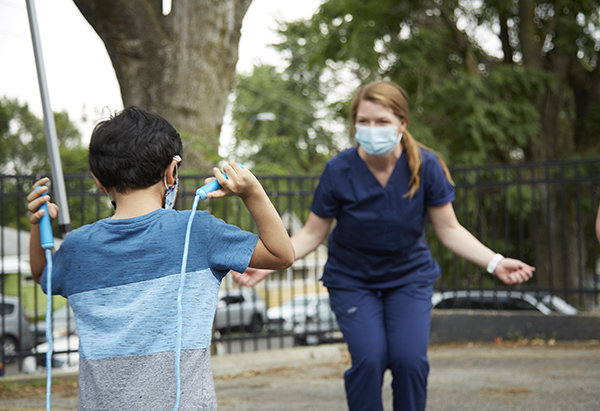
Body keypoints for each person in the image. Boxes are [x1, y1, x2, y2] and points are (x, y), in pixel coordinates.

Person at [232, 81, 535, 411]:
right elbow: (310, 234)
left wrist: (495, 262)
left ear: (402, 125)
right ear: (354, 123)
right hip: (352, 280)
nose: (371, 129)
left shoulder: (426, 166)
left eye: (382, 122)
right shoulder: (338, 171)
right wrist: (267, 262)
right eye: (363, 121)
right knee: (370, 359)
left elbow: (449, 230)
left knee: (409, 361)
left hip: (408, 278)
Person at [28, 107, 294, 410]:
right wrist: (252, 192)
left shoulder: (78, 247)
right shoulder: (199, 231)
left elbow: (42, 274)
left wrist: (38, 226)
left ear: (99, 181)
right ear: (171, 172)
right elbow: (281, 254)